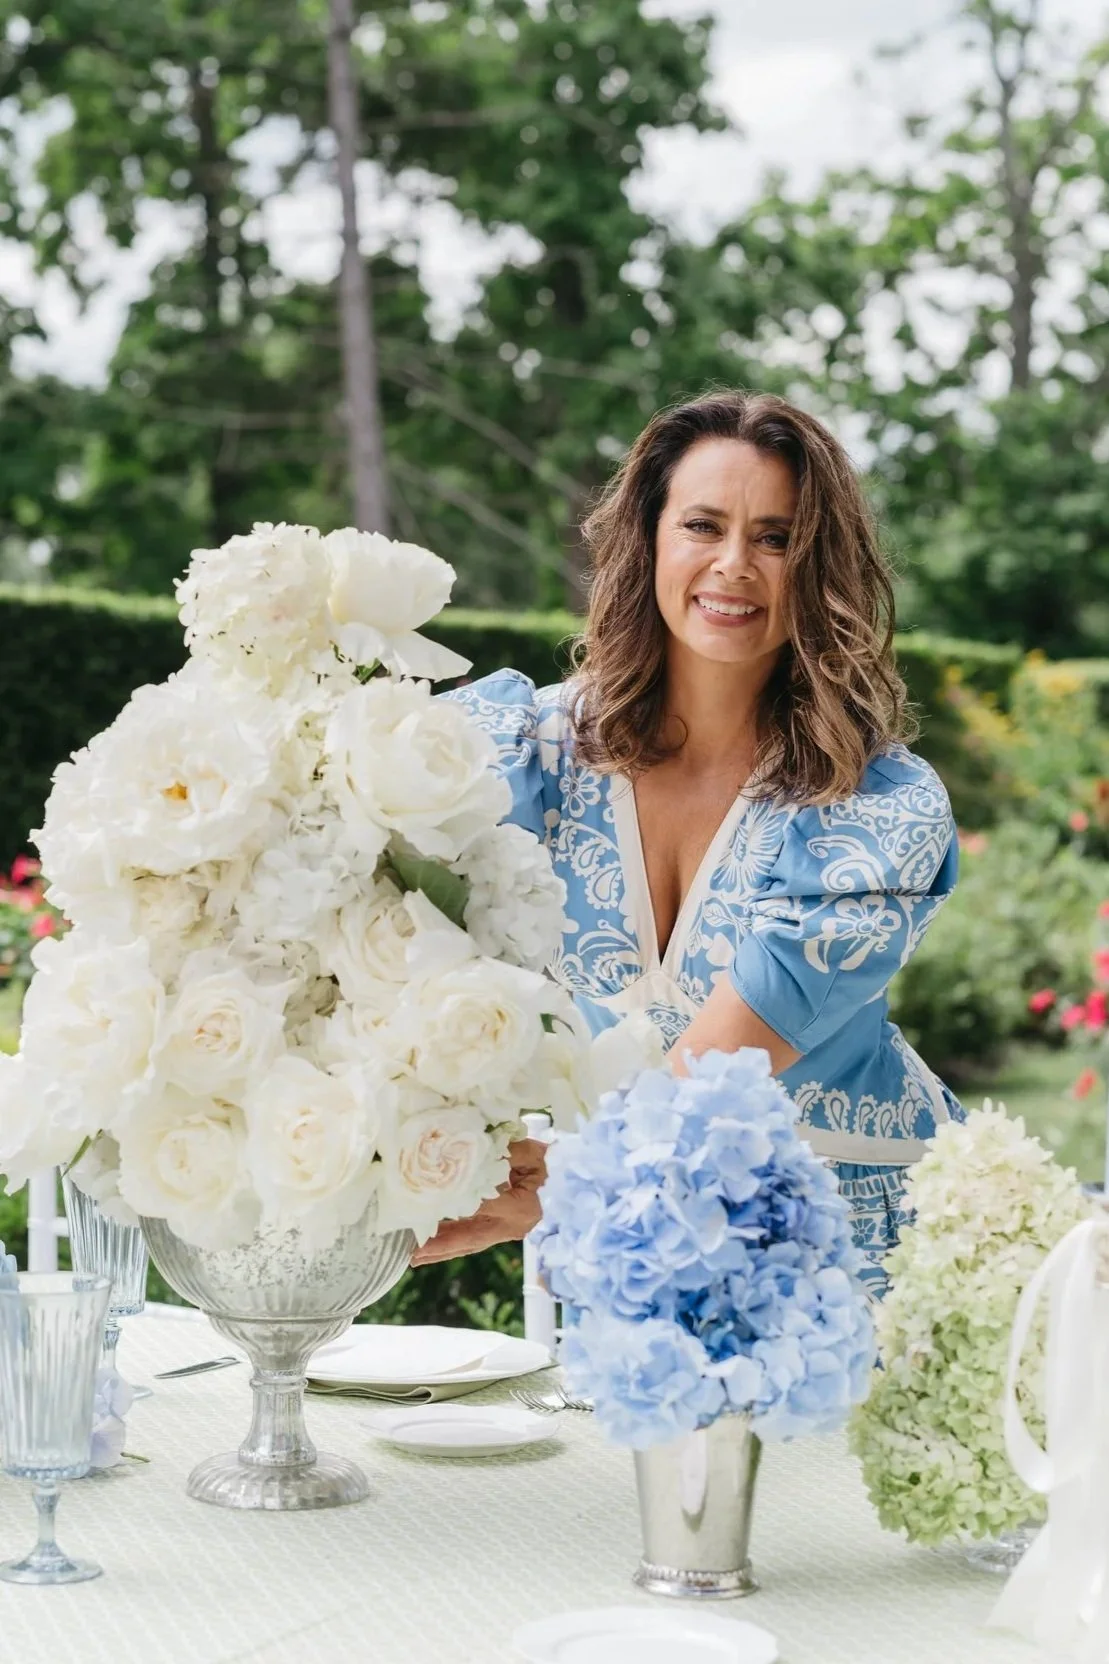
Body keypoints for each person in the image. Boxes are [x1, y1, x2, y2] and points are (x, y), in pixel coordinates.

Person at [411, 388, 961, 1293]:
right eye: (702, 525)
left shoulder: (874, 807)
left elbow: (721, 1069)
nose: (734, 565)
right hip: (623, 1240)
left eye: (776, 538)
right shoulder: (524, 751)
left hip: (843, 1243)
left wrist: (562, 1195)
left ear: (818, 566)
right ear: (651, 539)